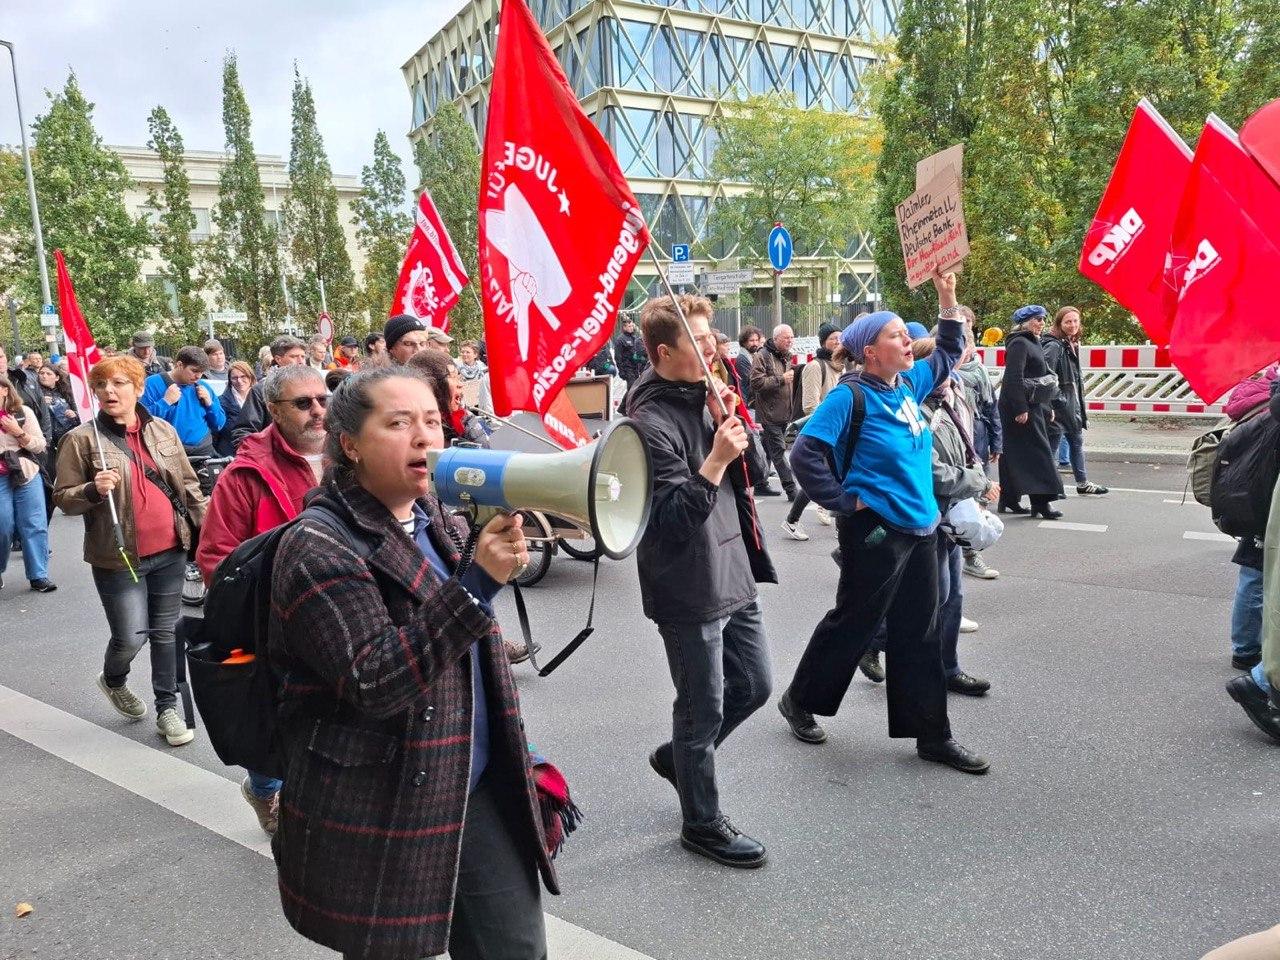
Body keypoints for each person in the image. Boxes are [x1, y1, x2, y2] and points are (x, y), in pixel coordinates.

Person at [268, 366, 555, 960]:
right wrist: (477, 583)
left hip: (471, 779)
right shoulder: (317, 545)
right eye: (399, 423)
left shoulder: (439, 519)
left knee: (516, 948)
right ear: (349, 444)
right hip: (382, 797)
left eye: (431, 420)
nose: (425, 437)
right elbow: (373, 679)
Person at [779, 272, 990, 775]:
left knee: (920, 631)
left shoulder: (907, 386)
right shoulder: (849, 397)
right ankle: (799, 699)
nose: (907, 342)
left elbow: (946, 351)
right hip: (874, 533)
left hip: (920, 529)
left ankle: (933, 736)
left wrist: (946, 296)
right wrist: (844, 501)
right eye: (896, 335)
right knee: (854, 623)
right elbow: (806, 453)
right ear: (870, 351)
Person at [626, 293, 776, 869]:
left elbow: (757, 477)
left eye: (713, 335)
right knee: (702, 707)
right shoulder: (645, 423)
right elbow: (667, 521)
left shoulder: (711, 395)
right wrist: (711, 461)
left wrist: (735, 431)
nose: (713, 346)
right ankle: (702, 822)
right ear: (665, 351)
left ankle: (678, 758)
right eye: (699, 339)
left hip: (733, 568)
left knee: (755, 686)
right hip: (688, 586)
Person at [196, 364, 328, 835]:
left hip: (341, 616)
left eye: (322, 398)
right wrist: (271, 594)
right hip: (274, 626)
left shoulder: (354, 454)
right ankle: (265, 790)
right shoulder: (244, 474)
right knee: (273, 721)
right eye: (303, 403)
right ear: (273, 409)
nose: (318, 410)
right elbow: (215, 557)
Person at [54, 355, 207, 747]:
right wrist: (91, 489)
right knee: (130, 637)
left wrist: (207, 530)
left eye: (119, 383)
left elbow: (188, 487)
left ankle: (167, 707)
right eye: (102, 385)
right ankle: (114, 679)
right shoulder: (81, 440)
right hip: (117, 556)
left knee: (165, 632)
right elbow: (63, 499)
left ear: (138, 388)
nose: (109, 391)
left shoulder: (163, 431)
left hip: (172, 549)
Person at [920, 372, 998, 695]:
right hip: (930, 516)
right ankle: (875, 641)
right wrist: (977, 481)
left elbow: (964, 451)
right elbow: (934, 472)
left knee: (953, 596)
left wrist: (976, 486)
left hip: (951, 513)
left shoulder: (948, 404)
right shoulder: (915, 412)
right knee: (934, 599)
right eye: (939, 371)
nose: (948, 378)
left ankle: (949, 668)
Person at [996, 305, 1064, 519]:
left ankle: (1008, 498)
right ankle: (1041, 503)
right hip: (1020, 406)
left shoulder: (1034, 341)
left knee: (1014, 455)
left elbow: (1041, 377)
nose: (1042, 323)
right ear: (1025, 322)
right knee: (1038, 454)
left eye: (1043, 319)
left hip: (1034, 405)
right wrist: (1020, 408)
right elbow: (1013, 378)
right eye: (1037, 319)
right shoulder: (1019, 343)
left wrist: (1049, 406)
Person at [782, 322, 843, 539]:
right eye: (833, 338)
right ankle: (792, 520)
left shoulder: (842, 366)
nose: (838, 341)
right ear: (823, 342)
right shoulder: (815, 367)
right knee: (819, 478)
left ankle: (818, 515)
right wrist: (832, 423)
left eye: (840, 337)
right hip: (820, 432)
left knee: (832, 476)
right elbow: (810, 405)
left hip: (838, 432)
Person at [953, 317, 1003, 580]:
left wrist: (997, 441)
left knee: (976, 504)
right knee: (959, 507)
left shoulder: (978, 373)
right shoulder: (940, 381)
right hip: (955, 456)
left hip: (977, 444)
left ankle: (971, 556)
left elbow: (990, 408)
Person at [1042, 307, 1107, 496]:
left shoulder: (1070, 343)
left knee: (1076, 443)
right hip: (1059, 408)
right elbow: (1046, 375)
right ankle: (1049, 487)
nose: (1072, 325)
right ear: (1059, 324)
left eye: (1075, 321)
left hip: (1071, 407)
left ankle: (1082, 483)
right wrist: (1058, 401)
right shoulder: (1055, 346)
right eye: (1068, 322)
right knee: (1052, 449)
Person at [0, 374, 54, 592]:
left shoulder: (23, 413)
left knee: (34, 523)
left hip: (25, 472)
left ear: (5, 390)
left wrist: (18, 432)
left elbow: (40, 446)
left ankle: (38, 575)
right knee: (3, 524)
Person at [140, 346, 226, 458]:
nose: (198, 376)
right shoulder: (152, 384)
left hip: (204, 452)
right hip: (168, 454)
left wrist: (210, 404)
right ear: (180, 365)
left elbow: (219, 424)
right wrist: (165, 402)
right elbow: (140, 421)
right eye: (194, 371)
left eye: (201, 372)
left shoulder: (203, 387)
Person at [231, 336, 307, 449]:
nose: (300, 361)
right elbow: (243, 433)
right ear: (278, 359)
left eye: (303, 356)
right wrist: (264, 455)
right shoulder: (261, 390)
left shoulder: (312, 387)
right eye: (294, 357)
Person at [750, 324, 798, 501]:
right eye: (786, 337)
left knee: (767, 449)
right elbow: (756, 383)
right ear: (776, 338)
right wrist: (781, 379)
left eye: (792, 337)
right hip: (769, 414)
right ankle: (791, 489)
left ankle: (760, 483)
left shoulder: (787, 356)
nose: (790, 341)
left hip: (784, 413)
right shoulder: (762, 356)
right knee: (778, 450)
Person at [0, 344, 51, 443]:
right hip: (7, 447)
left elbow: (43, 410)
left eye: (1, 356)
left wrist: (46, 440)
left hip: (36, 443)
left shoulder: (26, 379)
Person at [216, 361, 255, 457]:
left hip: (257, 452)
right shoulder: (221, 402)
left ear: (250, 377)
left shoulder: (261, 398)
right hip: (230, 454)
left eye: (243, 376)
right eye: (234, 378)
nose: (239, 381)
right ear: (229, 380)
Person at [37, 362, 80, 449]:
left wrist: (74, 414)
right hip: (48, 438)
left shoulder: (66, 391)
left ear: (57, 378)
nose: (44, 376)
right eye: (41, 373)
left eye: (48, 374)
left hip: (69, 435)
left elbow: (80, 412)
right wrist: (41, 404)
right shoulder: (35, 392)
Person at [613, 316, 649, 388]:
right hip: (627, 367)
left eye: (632, 326)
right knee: (632, 387)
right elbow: (618, 356)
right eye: (629, 326)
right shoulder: (620, 340)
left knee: (635, 387)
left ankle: (627, 399)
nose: (631, 328)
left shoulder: (635, 338)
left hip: (636, 367)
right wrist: (621, 370)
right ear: (624, 327)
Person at [734, 326, 762, 405]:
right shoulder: (742, 359)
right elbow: (753, 380)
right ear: (744, 342)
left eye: (757, 340)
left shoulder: (754, 355)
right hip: (748, 402)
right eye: (751, 341)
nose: (755, 343)